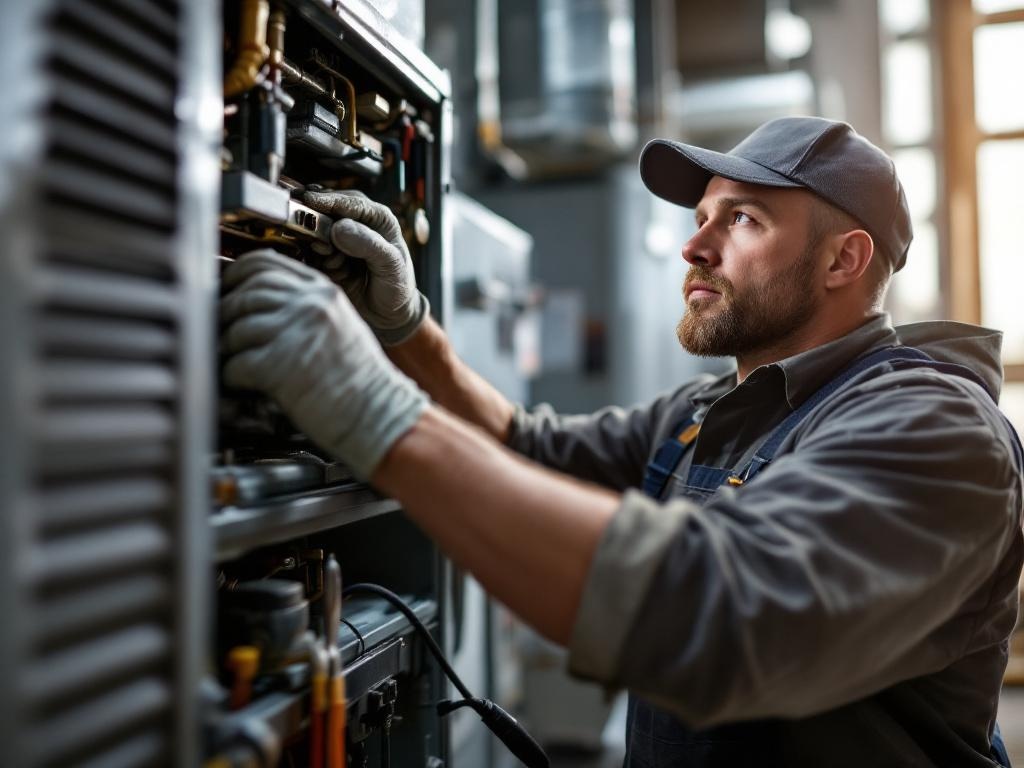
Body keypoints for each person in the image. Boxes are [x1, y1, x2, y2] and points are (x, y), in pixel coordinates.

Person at [219, 116, 1024, 766]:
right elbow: (521, 445)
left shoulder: (934, 427)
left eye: (741, 219)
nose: (694, 246)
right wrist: (404, 329)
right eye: (701, 217)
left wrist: (369, 410)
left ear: (843, 260)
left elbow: (726, 611)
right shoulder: (716, 410)